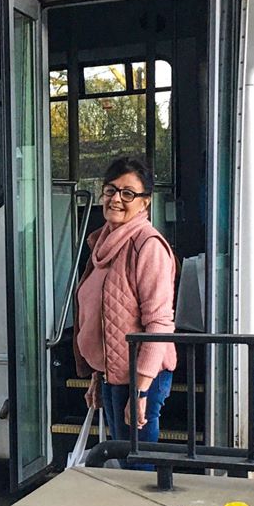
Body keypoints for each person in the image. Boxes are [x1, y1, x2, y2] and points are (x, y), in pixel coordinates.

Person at [73, 156, 177, 459]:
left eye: (128, 193)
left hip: (142, 377)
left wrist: (140, 391)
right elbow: (106, 317)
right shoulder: (103, 244)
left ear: (145, 202)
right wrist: (97, 373)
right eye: (110, 190)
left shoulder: (147, 246)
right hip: (113, 374)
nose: (116, 199)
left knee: (139, 467)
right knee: (123, 460)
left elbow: (159, 324)